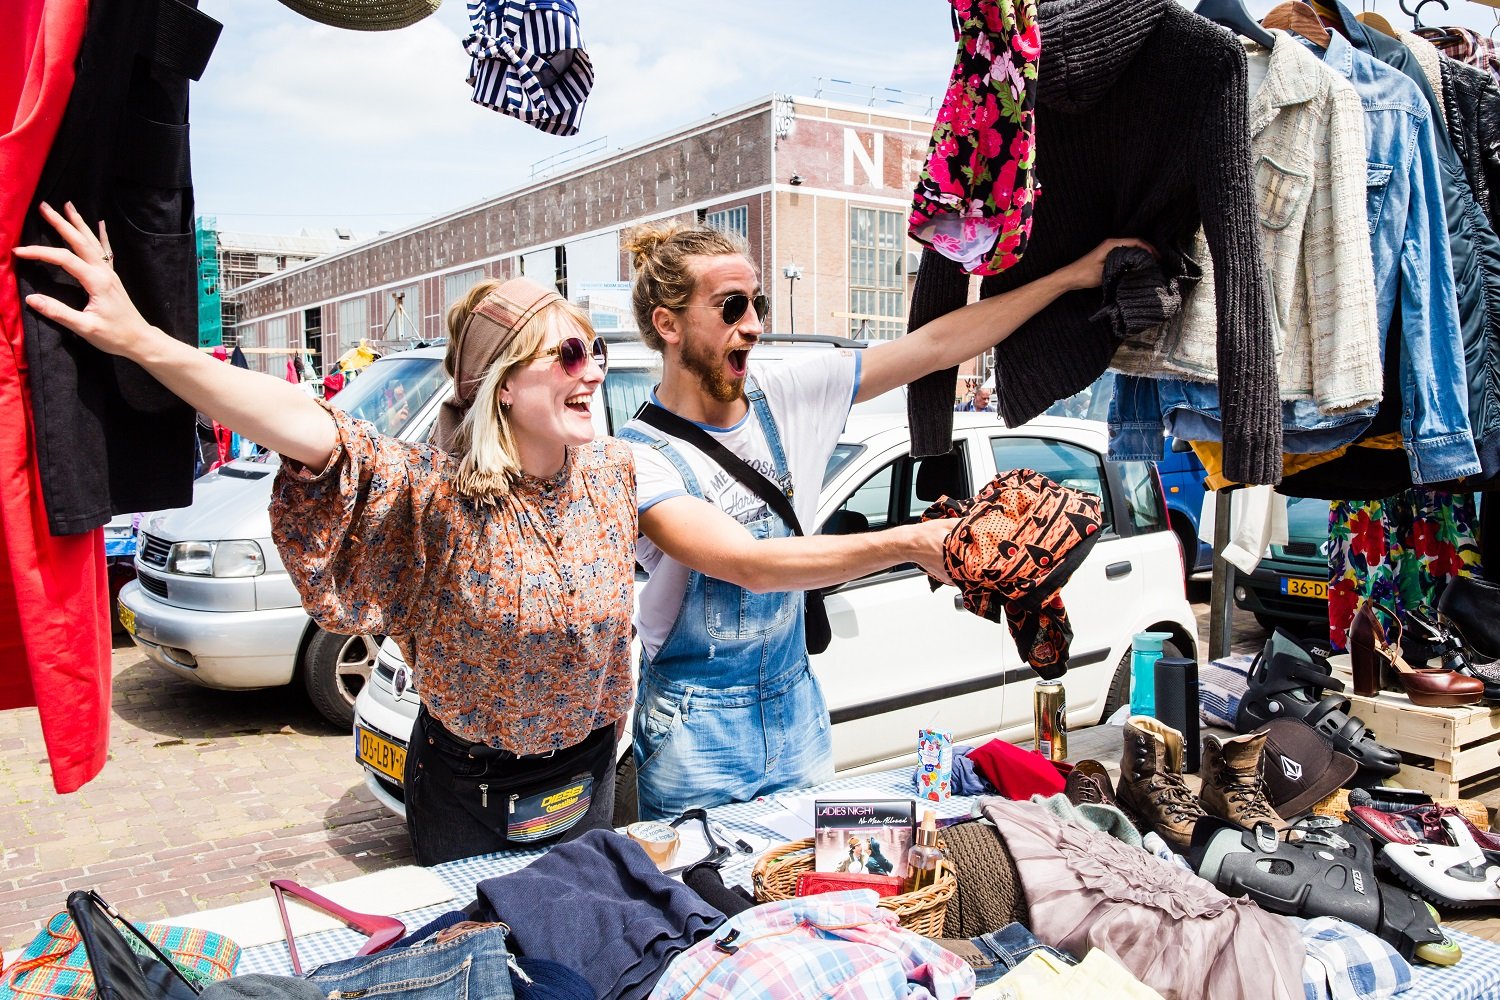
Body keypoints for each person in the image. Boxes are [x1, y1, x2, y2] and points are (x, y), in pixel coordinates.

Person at [16, 203, 631, 866]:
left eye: (593, 350)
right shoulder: (432, 494)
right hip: (474, 800)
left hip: (589, 783)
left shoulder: (614, 473)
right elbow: (309, 427)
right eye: (569, 353)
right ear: (503, 385)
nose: (592, 369)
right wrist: (139, 338)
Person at [620, 222, 1146, 819]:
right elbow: (751, 565)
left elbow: (935, 346)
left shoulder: (786, 393)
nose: (755, 324)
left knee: (814, 893)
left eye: (758, 304)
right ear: (668, 324)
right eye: (731, 307)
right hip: (696, 735)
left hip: (798, 713)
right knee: (702, 904)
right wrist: (913, 542)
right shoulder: (639, 456)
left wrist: (1075, 275)